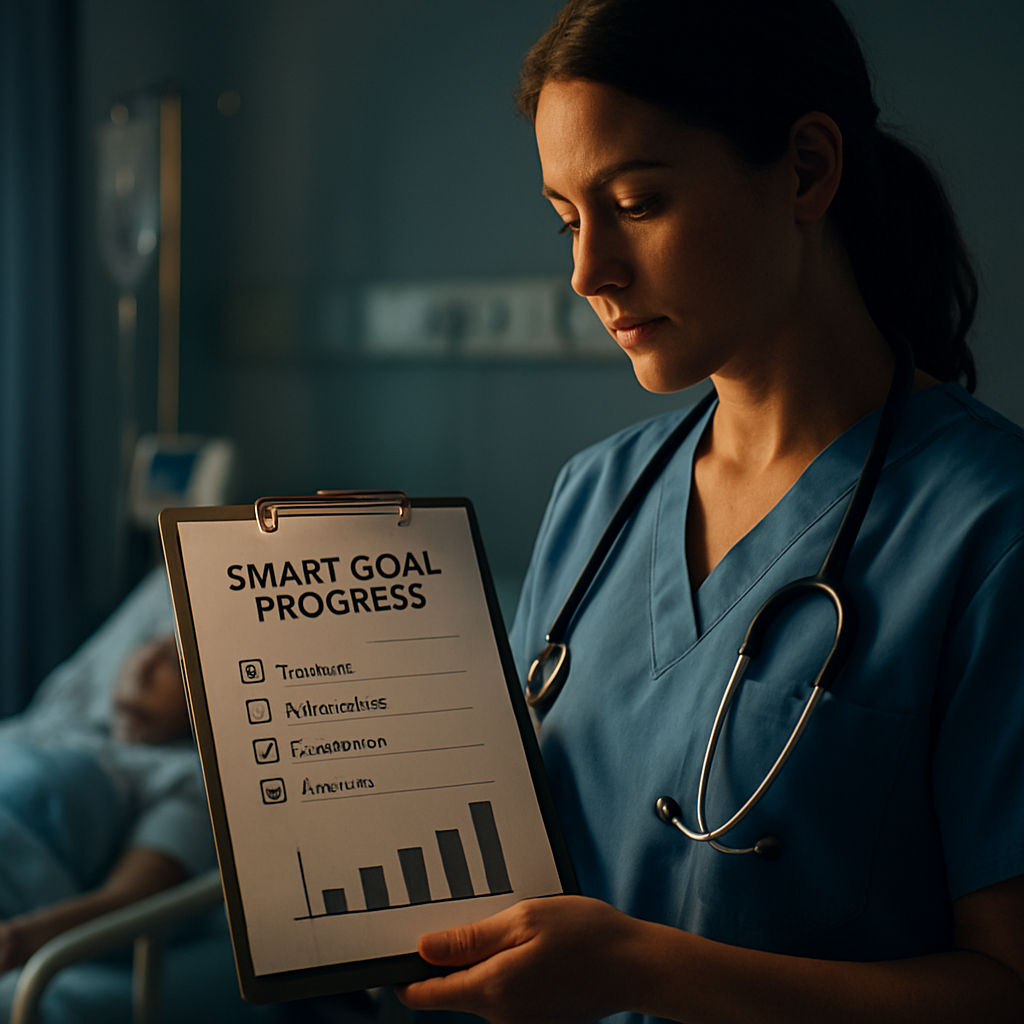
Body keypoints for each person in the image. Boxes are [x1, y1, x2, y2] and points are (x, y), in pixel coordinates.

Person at [398, 1, 1024, 1021]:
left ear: (806, 170)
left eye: (636, 202)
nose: (586, 272)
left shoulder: (990, 530)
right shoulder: (595, 498)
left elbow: (1006, 987)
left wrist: (641, 971)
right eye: (567, 218)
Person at [0, 634, 214, 975]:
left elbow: (133, 899)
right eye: (144, 647)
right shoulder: (61, 724)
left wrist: (20, 941)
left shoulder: (184, 779)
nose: (141, 669)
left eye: (174, 665)